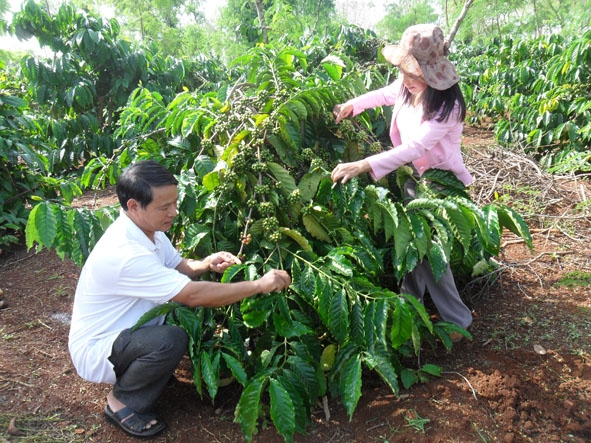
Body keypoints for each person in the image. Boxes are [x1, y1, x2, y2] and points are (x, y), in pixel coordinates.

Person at [68, 160, 291, 438]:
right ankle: (121, 402)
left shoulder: (148, 229)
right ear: (134, 206)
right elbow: (192, 295)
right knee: (170, 339)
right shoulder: (125, 252)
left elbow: (179, 266)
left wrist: (208, 263)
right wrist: (259, 284)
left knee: (170, 332)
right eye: (165, 207)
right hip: (99, 348)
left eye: (174, 203)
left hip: (128, 332)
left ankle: (146, 371)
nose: (173, 212)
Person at [330, 24, 472, 341]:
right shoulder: (409, 87)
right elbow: (385, 94)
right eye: (404, 72)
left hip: (439, 185)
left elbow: (415, 148)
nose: (406, 79)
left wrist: (364, 164)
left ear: (433, 76)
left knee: (428, 251)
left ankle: (458, 321)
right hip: (413, 179)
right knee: (411, 243)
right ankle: (410, 308)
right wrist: (354, 104)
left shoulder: (448, 107)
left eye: (413, 73)